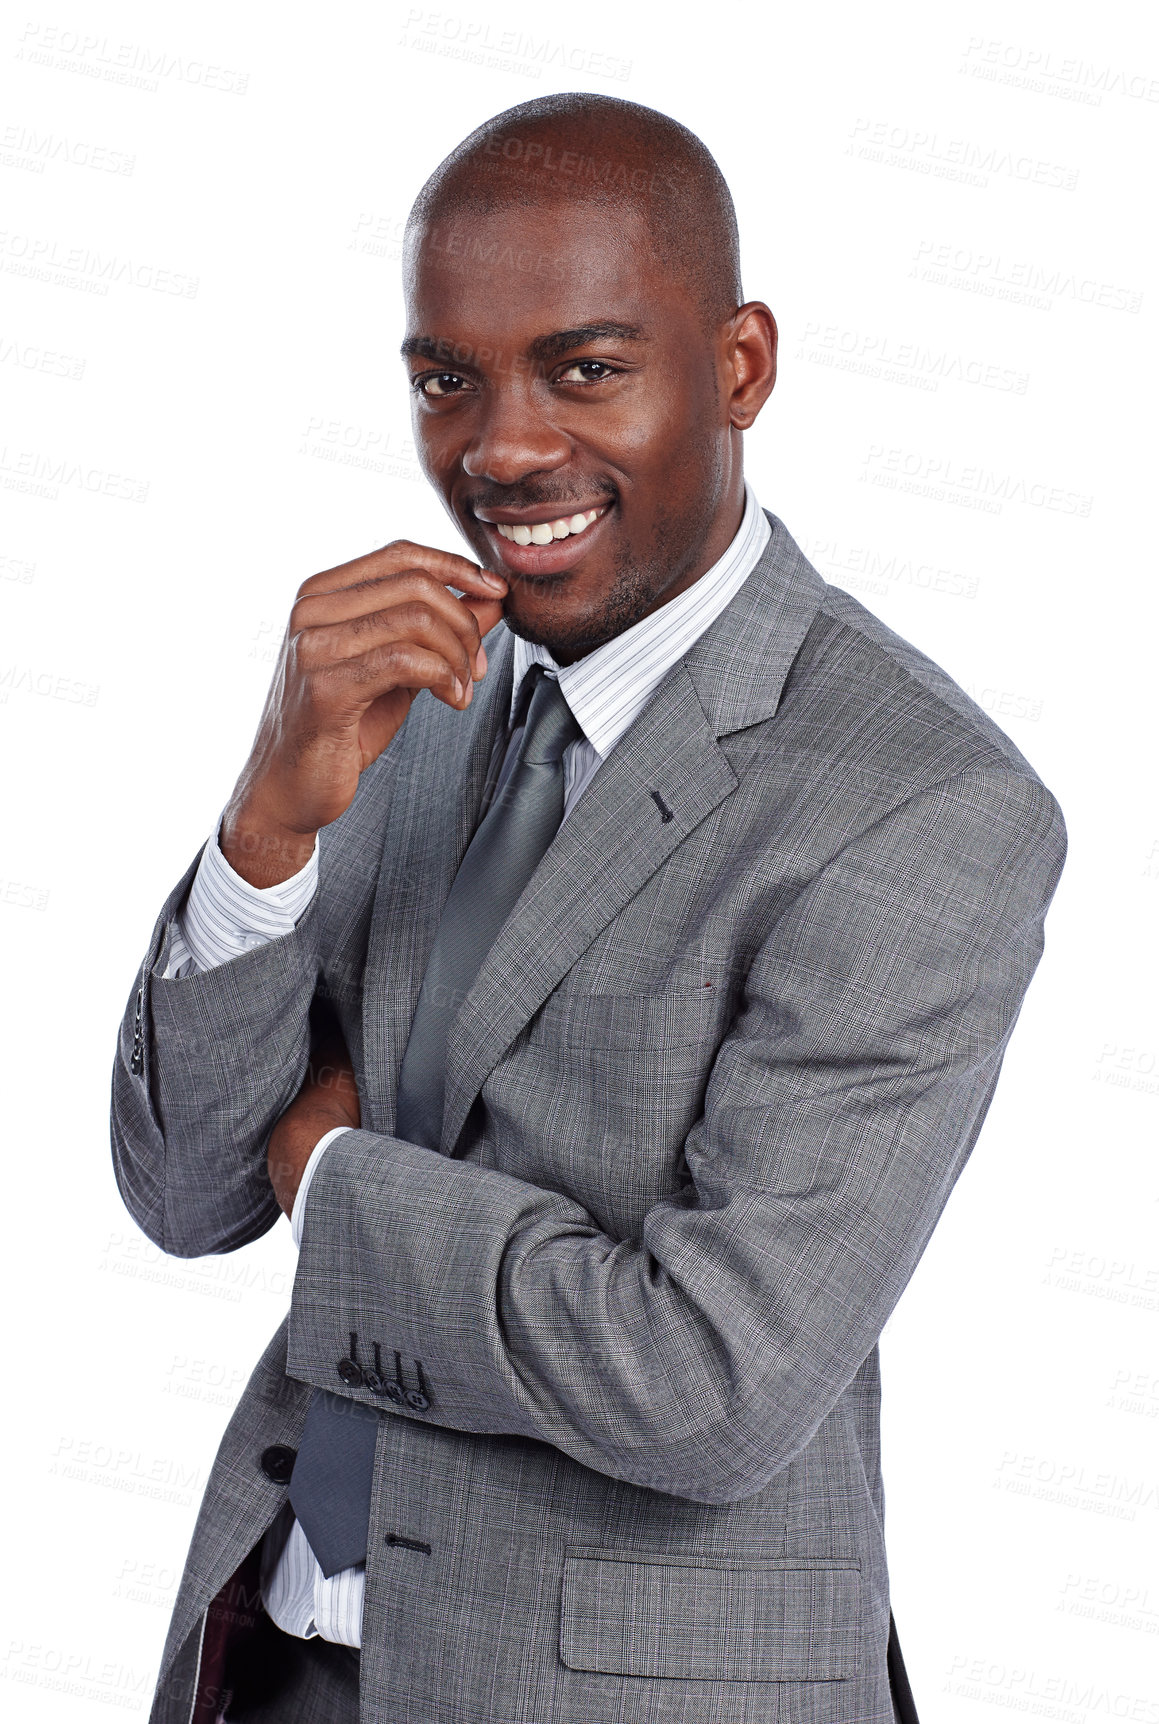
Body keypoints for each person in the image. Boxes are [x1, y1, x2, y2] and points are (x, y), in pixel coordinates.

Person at [111, 92, 1066, 1724]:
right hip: (275, 1656)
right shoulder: (423, 689)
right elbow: (185, 1190)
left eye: (588, 368)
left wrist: (333, 1174)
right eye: (447, 378)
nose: (502, 450)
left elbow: (707, 1381)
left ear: (743, 366)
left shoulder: (918, 804)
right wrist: (267, 829)